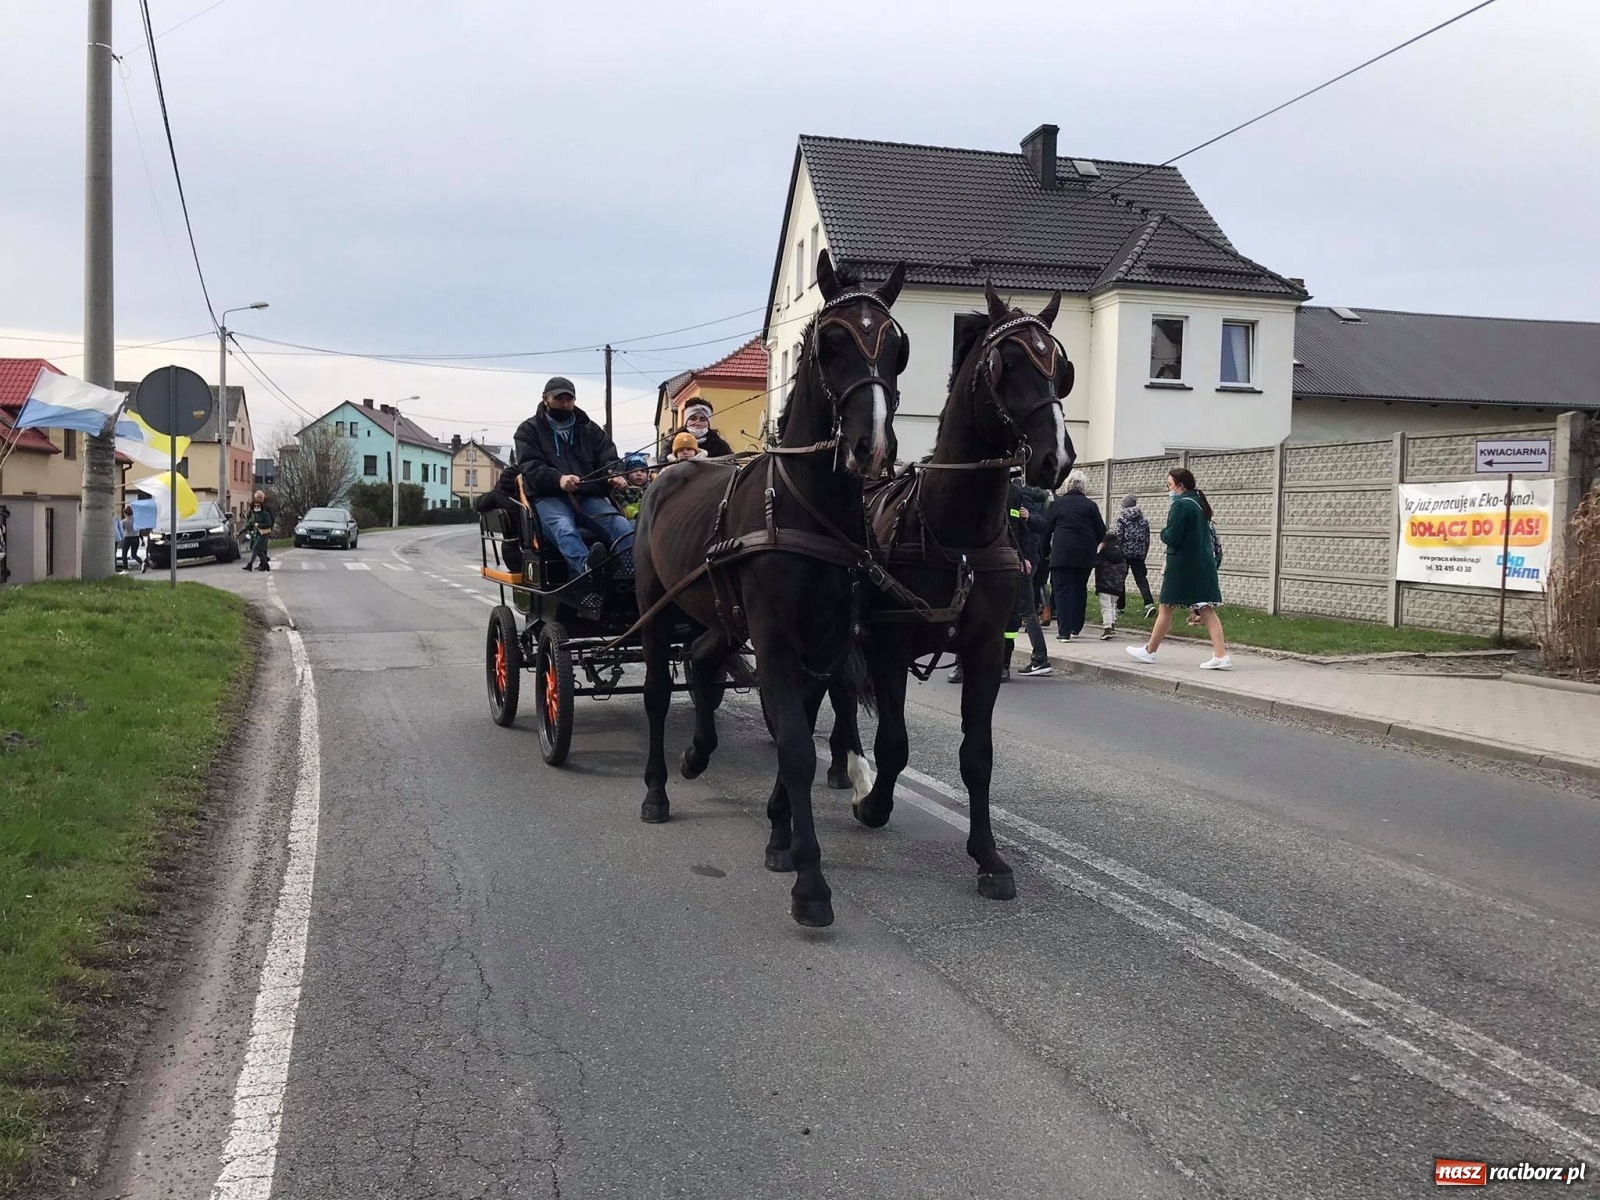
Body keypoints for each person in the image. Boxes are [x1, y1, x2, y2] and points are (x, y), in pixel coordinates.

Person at [512, 376, 633, 577]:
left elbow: (609, 457)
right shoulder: (528, 430)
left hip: (588, 497)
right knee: (564, 529)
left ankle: (631, 574)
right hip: (549, 498)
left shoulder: (589, 428)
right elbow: (530, 466)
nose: (565, 404)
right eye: (559, 399)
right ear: (545, 399)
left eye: (569, 399)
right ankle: (590, 570)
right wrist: (558, 480)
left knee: (622, 525)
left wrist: (614, 474)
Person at [1127, 467, 1230, 670]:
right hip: (1199, 565)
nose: (1168, 490)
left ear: (1180, 486)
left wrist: (1162, 533)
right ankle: (1220, 655)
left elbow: (1172, 536)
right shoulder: (1198, 503)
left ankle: (1150, 651)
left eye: (1170, 485)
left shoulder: (1180, 506)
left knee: (1166, 606)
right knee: (1204, 608)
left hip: (1183, 566)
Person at [1042, 470, 1106, 640]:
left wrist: (1045, 551)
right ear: (1083, 486)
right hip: (1084, 555)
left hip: (1062, 554)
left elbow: (1046, 530)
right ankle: (1076, 627)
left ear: (1067, 484)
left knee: (1062, 591)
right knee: (1079, 589)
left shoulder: (1057, 504)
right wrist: (1093, 544)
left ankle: (1063, 632)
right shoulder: (1090, 505)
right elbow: (1101, 530)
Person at [1113, 494, 1156, 616]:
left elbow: (1118, 537)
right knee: (1141, 579)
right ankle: (1149, 604)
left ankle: (1120, 607)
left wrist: (1117, 551)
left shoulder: (1122, 519)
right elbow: (1147, 538)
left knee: (1120, 579)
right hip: (1139, 554)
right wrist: (1144, 553)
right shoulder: (1143, 520)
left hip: (1124, 554)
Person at [1094, 530, 1129, 640]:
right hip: (1117, 586)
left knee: (1105, 607)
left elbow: (1096, 565)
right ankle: (1112, 624)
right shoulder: (1122, 555)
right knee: (1113, 605)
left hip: (1104, 585)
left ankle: (1107, 628)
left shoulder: (1102, 554)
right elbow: (1125, 570)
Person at [243, 491, 275, 571]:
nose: (259, 499)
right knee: (255, 547)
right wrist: (248, 527)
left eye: (260, 497)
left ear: (263, 498)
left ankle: (260, 564)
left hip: (264, 531)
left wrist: (268, 528)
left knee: (259, 548)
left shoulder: (266, 507)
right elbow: (250, 517)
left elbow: (271, 519)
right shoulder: (254, 506)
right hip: (254, 531)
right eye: (257, 497)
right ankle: (264, 562)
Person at [617, 454, 652, 520]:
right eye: (634, 471)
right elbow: (623, 506)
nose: (639, 474)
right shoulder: (622, 489)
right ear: (627, 474)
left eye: (643, 471)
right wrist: (636, 514)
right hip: (633, 520)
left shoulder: (652, 488)